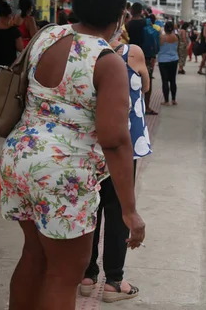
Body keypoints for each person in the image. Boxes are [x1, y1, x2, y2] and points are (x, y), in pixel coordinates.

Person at [0, 0, 146, 310]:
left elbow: (12, 88)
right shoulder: (106, 60)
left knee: (34, 256)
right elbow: (115, 141)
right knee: (64, 274)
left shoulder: (46, 37)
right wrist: (130, 211)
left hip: (21, 159)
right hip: (64, 175)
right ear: (120, 13)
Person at [81, 28, 152, 303]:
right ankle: (114, 281)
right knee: (119, 207)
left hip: (87, 145)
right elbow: (145, 87)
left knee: (91, 208)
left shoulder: (79, 52)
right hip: (122, 144)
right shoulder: (131, 52)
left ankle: (87, 275)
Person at [127, 2, 157, 115]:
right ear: (141, 11)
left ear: (132, 11)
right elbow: (152, 38)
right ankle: (147, 106)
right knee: (147, 81)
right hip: (146, 56)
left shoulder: (128, 24)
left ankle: (132, 106)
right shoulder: (146, 23)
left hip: (130, 56)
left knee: (131, 81)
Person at [158, 21, 179, 105]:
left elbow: (158, 47)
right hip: (174, 59)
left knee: (165, 80)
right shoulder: (176, 37)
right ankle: (173, 99)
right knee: (173, 80)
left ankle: (166, 100)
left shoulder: (162, 38)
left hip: (163, 60)